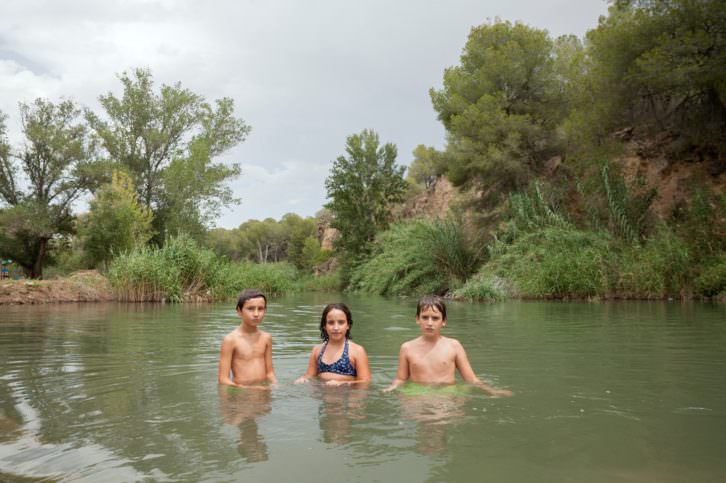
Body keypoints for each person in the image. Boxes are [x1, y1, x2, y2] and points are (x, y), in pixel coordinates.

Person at [384, 295, 512, 397]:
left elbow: (471, 379)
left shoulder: (454, 346)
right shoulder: (407, 348)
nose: (429, 323)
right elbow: (401, 379)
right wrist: (390, 389)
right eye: (425, 317)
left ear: (443, 321)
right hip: (418, 394)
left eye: (435, 318)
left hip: (446, 394)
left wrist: (492, 391)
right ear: (417, 319)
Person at [295, 303, 371, 386]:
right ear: (324, 326)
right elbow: (310, 375)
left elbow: (365, 382)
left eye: (341, 322)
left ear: (348, 325)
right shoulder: (317, 350)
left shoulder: (357, 351)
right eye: (331, 323)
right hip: (322, 395)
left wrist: (342, 383)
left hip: (347, 395)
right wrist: (303, 379)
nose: (336, 328)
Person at [218, 289, 278, 388]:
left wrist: (276, 387)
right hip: (242, 396)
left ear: (265, 311)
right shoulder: (230, 340)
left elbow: (270, 373)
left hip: (264, 393)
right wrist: (249, 389)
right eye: (250, 309)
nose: (256, 314)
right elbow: (223, 380)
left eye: (260, 309)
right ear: (239, 311)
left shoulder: (266, 338)